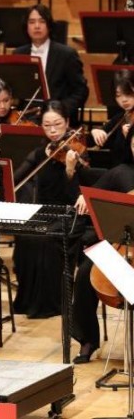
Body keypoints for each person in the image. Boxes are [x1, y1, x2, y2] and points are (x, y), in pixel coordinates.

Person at [12, 101, 90, 319]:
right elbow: (16, 178)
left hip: (68, 213)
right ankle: (28, 301)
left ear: (67, 122)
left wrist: (70, 169)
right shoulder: (40, 153)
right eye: (47, 125)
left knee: (45, 240)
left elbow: (76, 193)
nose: (53, 130)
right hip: (44, 211)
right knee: (25, 235)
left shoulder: (78, 152)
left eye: (58, 124)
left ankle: (50, 303)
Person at [72, 129, 134, 364]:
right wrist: (84, 197)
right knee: (85, 273)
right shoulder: (121, 172)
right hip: (121, 245)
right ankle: (87, 339)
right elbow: (92, 193)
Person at [13, 5, 88, 127]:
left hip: (56, 119)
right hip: (26, 118)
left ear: (49, 25)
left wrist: (61, 110)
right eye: (32, 22)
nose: (37, 26)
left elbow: (81, 91)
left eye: (42, 21)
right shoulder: (18, 54)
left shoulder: (66, 54)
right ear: (26, 27)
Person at [88, 69, 134, 168]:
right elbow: (97, 141)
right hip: (117, 171)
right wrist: (95, 132)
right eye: (118, 95)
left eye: (128, 94)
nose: (124, 100)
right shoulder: (121, 117)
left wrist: (129, 139)